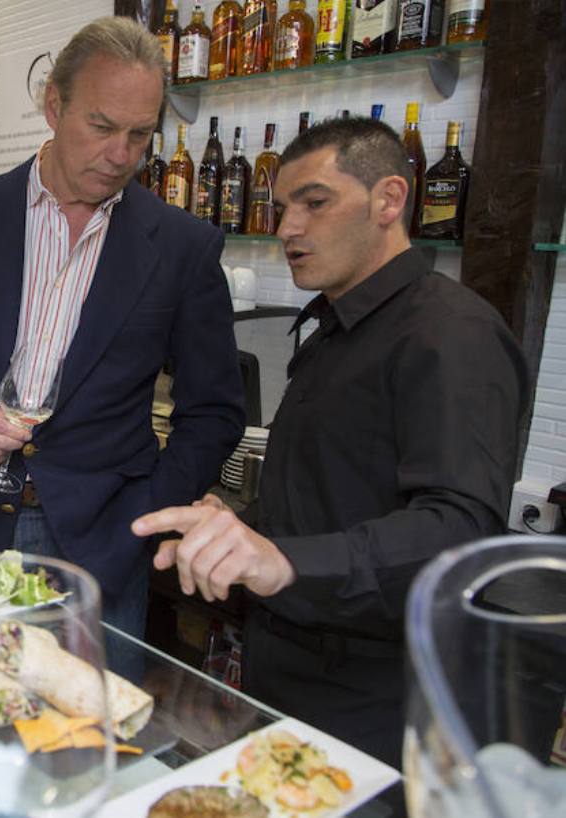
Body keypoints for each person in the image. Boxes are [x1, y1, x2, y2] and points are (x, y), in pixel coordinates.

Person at [132, 117, 529, 767]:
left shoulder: (451, 335)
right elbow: (320, 494)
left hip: (375, 702)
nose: (288, 227)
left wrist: (283, 563)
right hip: (286, 676)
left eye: (315, 202)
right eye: (285, 206)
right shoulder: (336, 329)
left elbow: (456, 530)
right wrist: (236, 527)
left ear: (390, 200)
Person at [0, 16, 245, 641]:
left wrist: (148, 511)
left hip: (101, 545)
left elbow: (214, 412)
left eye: (139, 134)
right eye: (100, 127)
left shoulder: (183, 246)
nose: (120, 155)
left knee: (85, 733)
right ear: (53, 104)